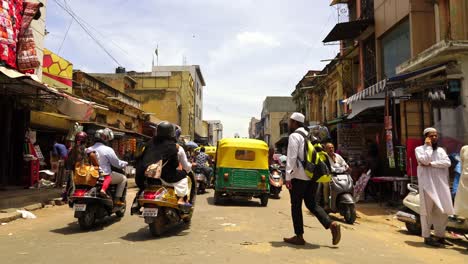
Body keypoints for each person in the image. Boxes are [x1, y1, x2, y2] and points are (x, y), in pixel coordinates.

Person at [283, 112, 341, 246]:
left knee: (296, 205)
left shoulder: (295, 136)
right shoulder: (311, 135)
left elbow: (291, 157)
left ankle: (299, 236)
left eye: (290, 121)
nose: (289, 124)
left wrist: (288, 177)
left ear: (295, 123)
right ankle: (331, 224)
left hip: (299, 176)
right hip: (313, 175)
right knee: (312, 203)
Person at [135, 121, 192, 206]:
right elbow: (175, 164)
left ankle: (136, 201)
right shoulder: (174, 147)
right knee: (184, 176)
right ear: (171, 133)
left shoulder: (148, 144)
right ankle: (181, 198)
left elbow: (138, 159)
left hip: (144, 178)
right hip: (165, 176)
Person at [415, 127, 454, 247]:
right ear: (426, 137)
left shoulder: (441, 150)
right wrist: (428, 147)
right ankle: (427, 237)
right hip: (427, 185)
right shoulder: (420, 149)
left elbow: (447, 163)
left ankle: (440, 236)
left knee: (442, 212)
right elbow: (424, 160)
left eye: (436, 135)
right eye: (431, 136)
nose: (435, 137)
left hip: (441, 185)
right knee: (426, 212)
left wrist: (432, 164)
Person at [87, 128, 128, 206]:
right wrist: (125, 163)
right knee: (123, 178)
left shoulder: (88, 149)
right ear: (105, 138)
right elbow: (117, 164)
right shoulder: (108, 150)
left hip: (91, 174)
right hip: (103, 174)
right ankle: (117, 199)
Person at [323, 142, 351, 209]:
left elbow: (344, 164)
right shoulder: (324, 157)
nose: (331, 149)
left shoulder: (337, 156)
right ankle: (326, 203)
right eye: (329, 148)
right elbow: (325, 167)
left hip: (340, 175)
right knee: (326, 185)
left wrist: (347, 167)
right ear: (326, 150)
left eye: (332, 147)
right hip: (328, 175)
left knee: (349, 182)